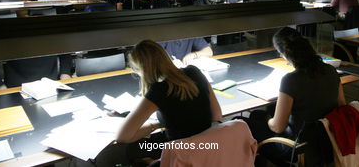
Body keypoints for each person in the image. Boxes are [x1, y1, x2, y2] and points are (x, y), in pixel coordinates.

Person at [245, 27, 345, 165]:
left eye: (280, 53)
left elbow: (278, 127)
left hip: (297, 146)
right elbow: (342, 105)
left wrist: (268, 120)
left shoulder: (291, 80)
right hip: (328, 138)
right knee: (257, 114)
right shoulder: (331, 71)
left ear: (285, 53)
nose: (281, 56)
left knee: (245, 122)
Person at [115, 40, 222, 164]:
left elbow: (122, 137)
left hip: (181, 152)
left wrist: (154, 125)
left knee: (134, 149)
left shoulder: (159, 89)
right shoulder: (194, 71)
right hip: (208, 148)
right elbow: (216, 115)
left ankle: (154, 162)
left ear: (141, 70)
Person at [0, 55, 73, 90]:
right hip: (17, 88)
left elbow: (65, 52)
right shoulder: (7, 28)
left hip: (50, 84)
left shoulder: (52, 26)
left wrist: (65, 73)